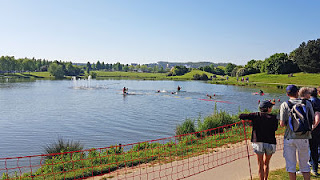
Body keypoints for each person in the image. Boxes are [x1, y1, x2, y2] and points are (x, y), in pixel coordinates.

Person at [280, 85, 315, 179]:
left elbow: (282, 124)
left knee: (291, 165)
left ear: (287, 94)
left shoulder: (285, 104)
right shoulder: (307, 103)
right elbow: (313, 121)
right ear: (297, 92)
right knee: (305, 165)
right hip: (304, 137)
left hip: (290, 137)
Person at [239, 100, 278, 180]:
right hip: (270, 143)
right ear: (268, 109)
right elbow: (275, 129)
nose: (271, 108)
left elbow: (241, 116)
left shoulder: (256, 115)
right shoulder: (274, 117)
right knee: (266, 164)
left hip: (258, 142)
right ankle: (265, 178)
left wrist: (250, 119)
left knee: (260, 164)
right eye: (271, 107)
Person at [309, 88, 320, 175]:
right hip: (318, 128)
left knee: (313, 148)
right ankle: (313, 163)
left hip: (314, 128)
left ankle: (314, 167)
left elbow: (317, 116)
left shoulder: (311, 102)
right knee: (316, 147)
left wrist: (313, 127)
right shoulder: (318, 101)